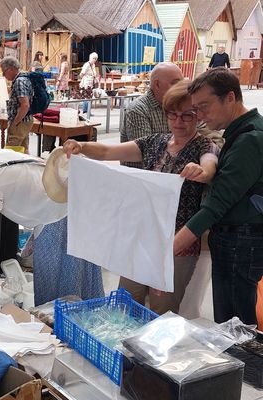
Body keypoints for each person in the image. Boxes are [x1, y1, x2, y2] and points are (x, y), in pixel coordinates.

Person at [63, 80, 219, 314]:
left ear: (198, 116)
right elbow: (107, 151)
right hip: (140, 240)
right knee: (125, 306)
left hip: (177, 246)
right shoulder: (154, 142)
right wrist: (81, 147)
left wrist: (203, 172)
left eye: (187, 116)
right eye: (173, 115)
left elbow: (210, 165)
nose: (178, 122)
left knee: (161, 313)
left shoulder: (204, 146)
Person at [0, 149, 104, 305]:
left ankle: (67, 328)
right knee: (84, 273)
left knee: (55, 286)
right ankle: (92, 319)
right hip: (72, 199)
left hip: (54, 215)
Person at [173, 68, 263, 327]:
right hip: (236, 238)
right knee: (230, 323)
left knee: (235, 328)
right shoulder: (241, 131)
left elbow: (214, 207)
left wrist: (168, 252)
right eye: (196, 109)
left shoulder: (250, 139)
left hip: (241, 240)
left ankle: (247, 369)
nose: (199, 116)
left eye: (204, 107)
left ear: (230, 98)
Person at [120, 62, 184, 167]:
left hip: (168, 173)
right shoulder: (137, 110)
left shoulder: (178, 105)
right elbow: (147, 153)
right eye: (175, 83)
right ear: (157, 84)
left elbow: (204, 136)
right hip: (141, 177)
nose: (180, 88)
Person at [1, 56, 33, 153]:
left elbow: (25, 105)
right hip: (25, 120)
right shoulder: (25, 78)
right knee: (23, 150)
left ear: (10, 69)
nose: (3, 75)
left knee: (11, 152)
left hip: (20, 121)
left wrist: (15, 122)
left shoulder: (19, 81)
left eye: (4, 72)